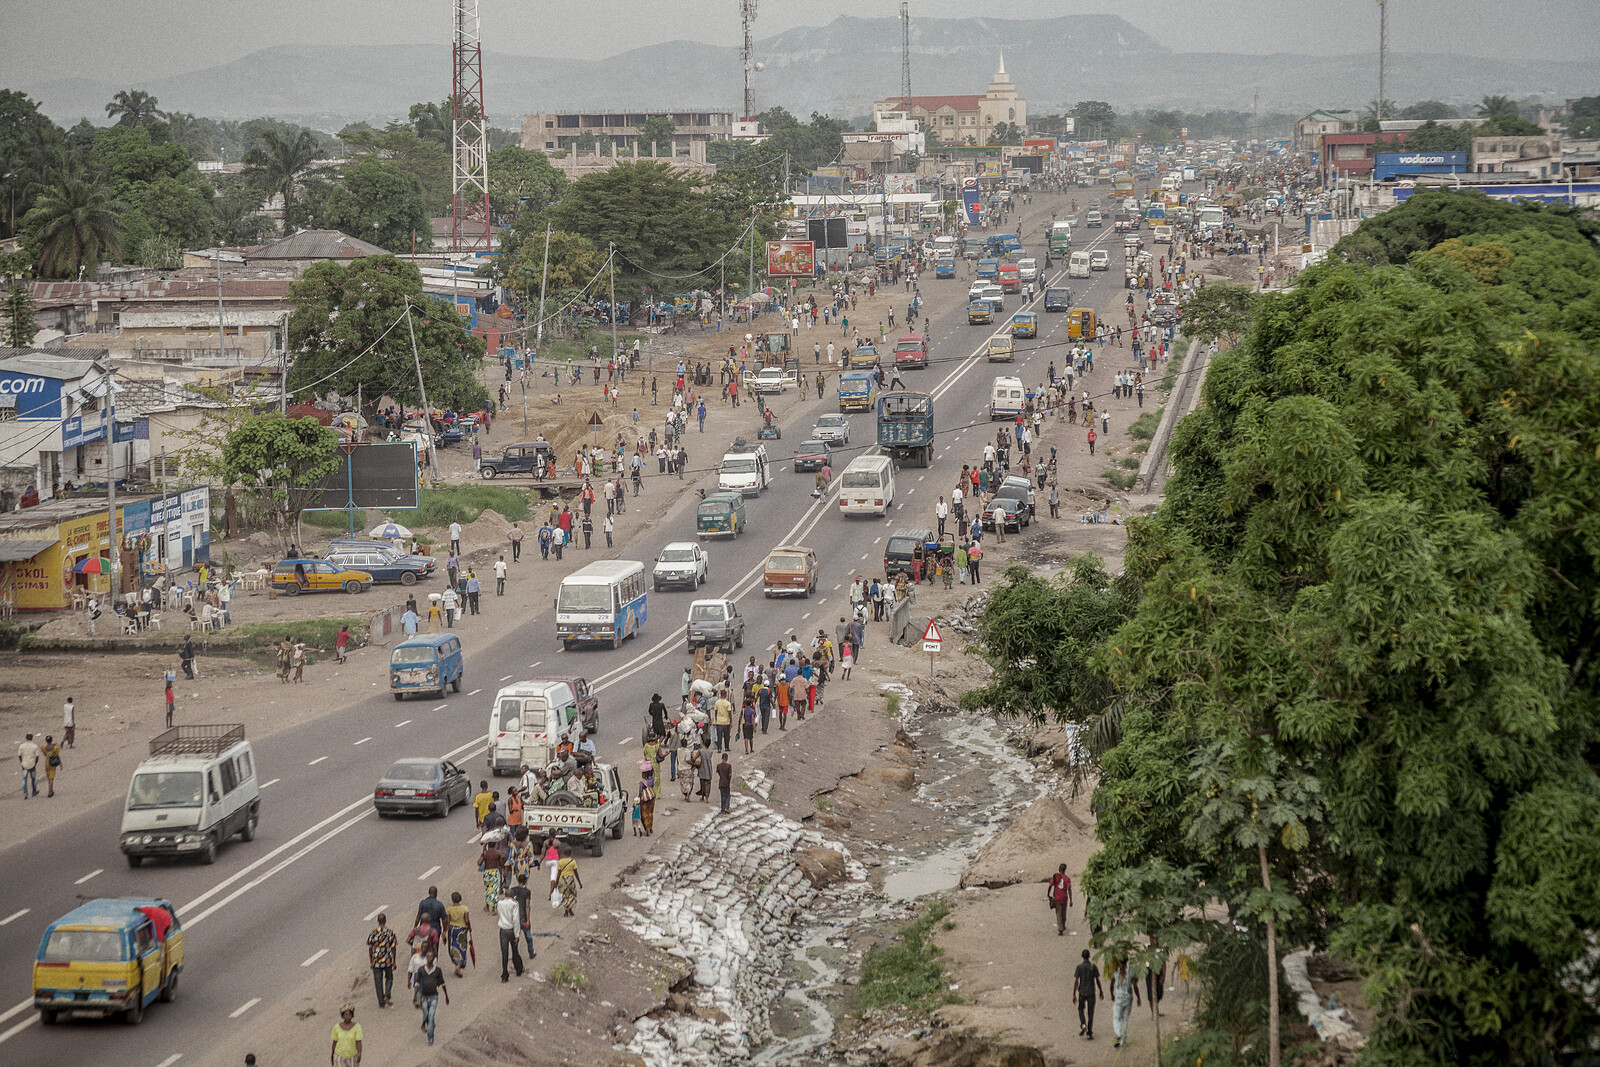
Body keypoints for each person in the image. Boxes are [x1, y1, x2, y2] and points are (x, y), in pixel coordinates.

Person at [414, 948, 449, 1046]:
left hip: (434, 997)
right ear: (426, 958)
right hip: (424, 997)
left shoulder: (438, 971)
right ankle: (429, 1024)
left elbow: (442, 983)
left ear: (434, 958)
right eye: (428, 957)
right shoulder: (421, 970)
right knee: (426, 1015)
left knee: (431, 1015)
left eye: (431, 957)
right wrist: (415, 996)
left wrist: (446, 996)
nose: (429, 958)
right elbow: (417, 983)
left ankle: (430, 1037)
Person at [367, 913, 397, 1008]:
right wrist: (394, 961)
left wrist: (371, 961)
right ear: (385, 921)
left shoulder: (373, 933)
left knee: (378, 982)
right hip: (387, 960)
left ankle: (381, 1002)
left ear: (378, 921)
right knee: (389, 978)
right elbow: (393, 947)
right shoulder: (390, 932)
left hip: (376, 960)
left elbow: (370, 948)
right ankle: (387, 994)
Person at [495, 887, 524, 982]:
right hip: (511, 929)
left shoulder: (499, 903)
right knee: (514, 950)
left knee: (504, 952)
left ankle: (504, 974)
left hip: (503, 929)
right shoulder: (514, 904)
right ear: (512, 895)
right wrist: (517, 934)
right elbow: (516, 920)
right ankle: (518, 969)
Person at [1073, 948, 1102, 1040]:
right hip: (1091, 992)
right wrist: (1101, 990)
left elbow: (1076, 981)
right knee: (1090, 1012)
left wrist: (1074, 994)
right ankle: (1089, 1031)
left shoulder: (1079, 967)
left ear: (1082, 957)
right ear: (1089, 956)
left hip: (1082, 992)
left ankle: (1083, 1024)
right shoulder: (1093, 967)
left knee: (1081, 1009)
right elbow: (1097, 980)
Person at [1112, 957, 1141, 1048]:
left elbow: (1111, 984)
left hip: (1118, 998)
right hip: (1128, 997)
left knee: (1116, 1018)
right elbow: (1135, 985)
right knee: (1125, 1019)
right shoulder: (1131, 972)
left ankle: (1118, 1034)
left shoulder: (1116, 972)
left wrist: (1112, 994)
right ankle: (1123, 1041)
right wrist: (1138, 997)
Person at [443, 892, 471, 977]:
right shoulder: (465, 908)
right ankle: (459, 966)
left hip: (453, 930)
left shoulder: (449, 909)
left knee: (453, 947)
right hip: (462, 930)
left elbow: (448, 921)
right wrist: (469, 927)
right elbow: (466, 920)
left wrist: (444, 931)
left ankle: (456, 965)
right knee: (462, 947)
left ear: (452, 900)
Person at [330, 1003, 363, 1067]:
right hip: (339, 1056)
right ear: (342, 1016)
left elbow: (358, 1042)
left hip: (352, 1057)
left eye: (350, 1014)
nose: (348, 1016)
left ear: (352, 1015)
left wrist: (359, 1054)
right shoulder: (336, 1027)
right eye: (346, 1014)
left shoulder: (357, 1027)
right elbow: (334, 1042)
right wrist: (332, 1055)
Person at [554, 843, 581, 916]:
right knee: (572, 894)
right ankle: (570, 909)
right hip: (570, 880)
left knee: (564, 895)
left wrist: (556, 883)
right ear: (570, 853)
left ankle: (566, 911)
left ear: (564, 853)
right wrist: (579, 882)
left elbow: (558, 873)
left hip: (562, 880)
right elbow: (576, 873)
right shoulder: (573, 861)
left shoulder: (560, 862)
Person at [1048, 864, 1074, 935]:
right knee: (1063, 913)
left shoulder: (1055, 877)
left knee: (1058, 913)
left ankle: (1060, 928)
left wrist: (1048, 894)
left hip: (1057, 898)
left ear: (1059, 869)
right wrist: (1071, 900)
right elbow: (1069, 889)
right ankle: (1063, 925)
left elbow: (1050, 885)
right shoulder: (1067, 879)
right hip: (1064, 898)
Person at [18, 732, 41, 799]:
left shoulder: (22, 746)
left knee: (24, 779)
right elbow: (37, 756)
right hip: (32, 764)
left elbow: (19, 755)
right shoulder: (35, 746)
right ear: (32, 738)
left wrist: (21, 762)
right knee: (33, 778)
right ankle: (34, 791)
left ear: (26, 738)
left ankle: (25, 793)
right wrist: (35, 763)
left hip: (24, 764)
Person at [638, 762, 657, 835]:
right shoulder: (652, 779)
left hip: (644, 800)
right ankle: (650, 827)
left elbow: (640, 793)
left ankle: (647, 829)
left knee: (644, 814)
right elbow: (653, 772)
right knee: (650, 813)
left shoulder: (642, 783)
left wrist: (637, 800)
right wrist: (649, 766)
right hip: (652, 798)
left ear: (644, 775)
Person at [696, 737, 714, 802]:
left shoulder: (700, 751)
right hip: (708, 767)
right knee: (708, 783)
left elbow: (695, 757)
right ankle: (707, 797)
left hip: (702, 767)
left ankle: (702, 797)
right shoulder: (711, 752)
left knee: (702, 783)